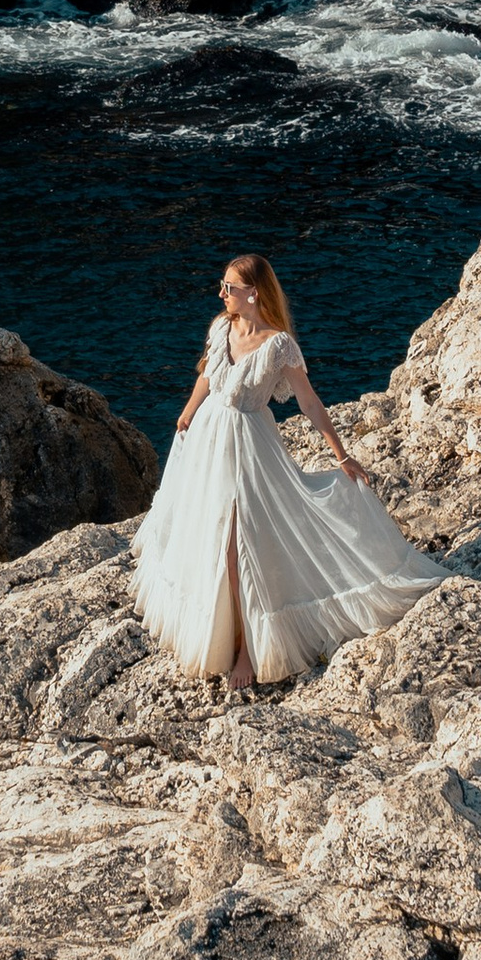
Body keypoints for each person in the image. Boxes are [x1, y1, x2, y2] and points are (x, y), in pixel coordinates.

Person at [131, 251, 444, 695]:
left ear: (254, 294)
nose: (221, 294)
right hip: (208, 441)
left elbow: (309, 402)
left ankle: (247, 648)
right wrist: (187, 413)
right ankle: (223, 632)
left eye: (229, 288)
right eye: (222, 286)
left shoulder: (279, 346)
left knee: (240, 546)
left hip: (250, 448)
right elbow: (207, 375)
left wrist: (341, 455)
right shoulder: (221, 327)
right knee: (210, 538)